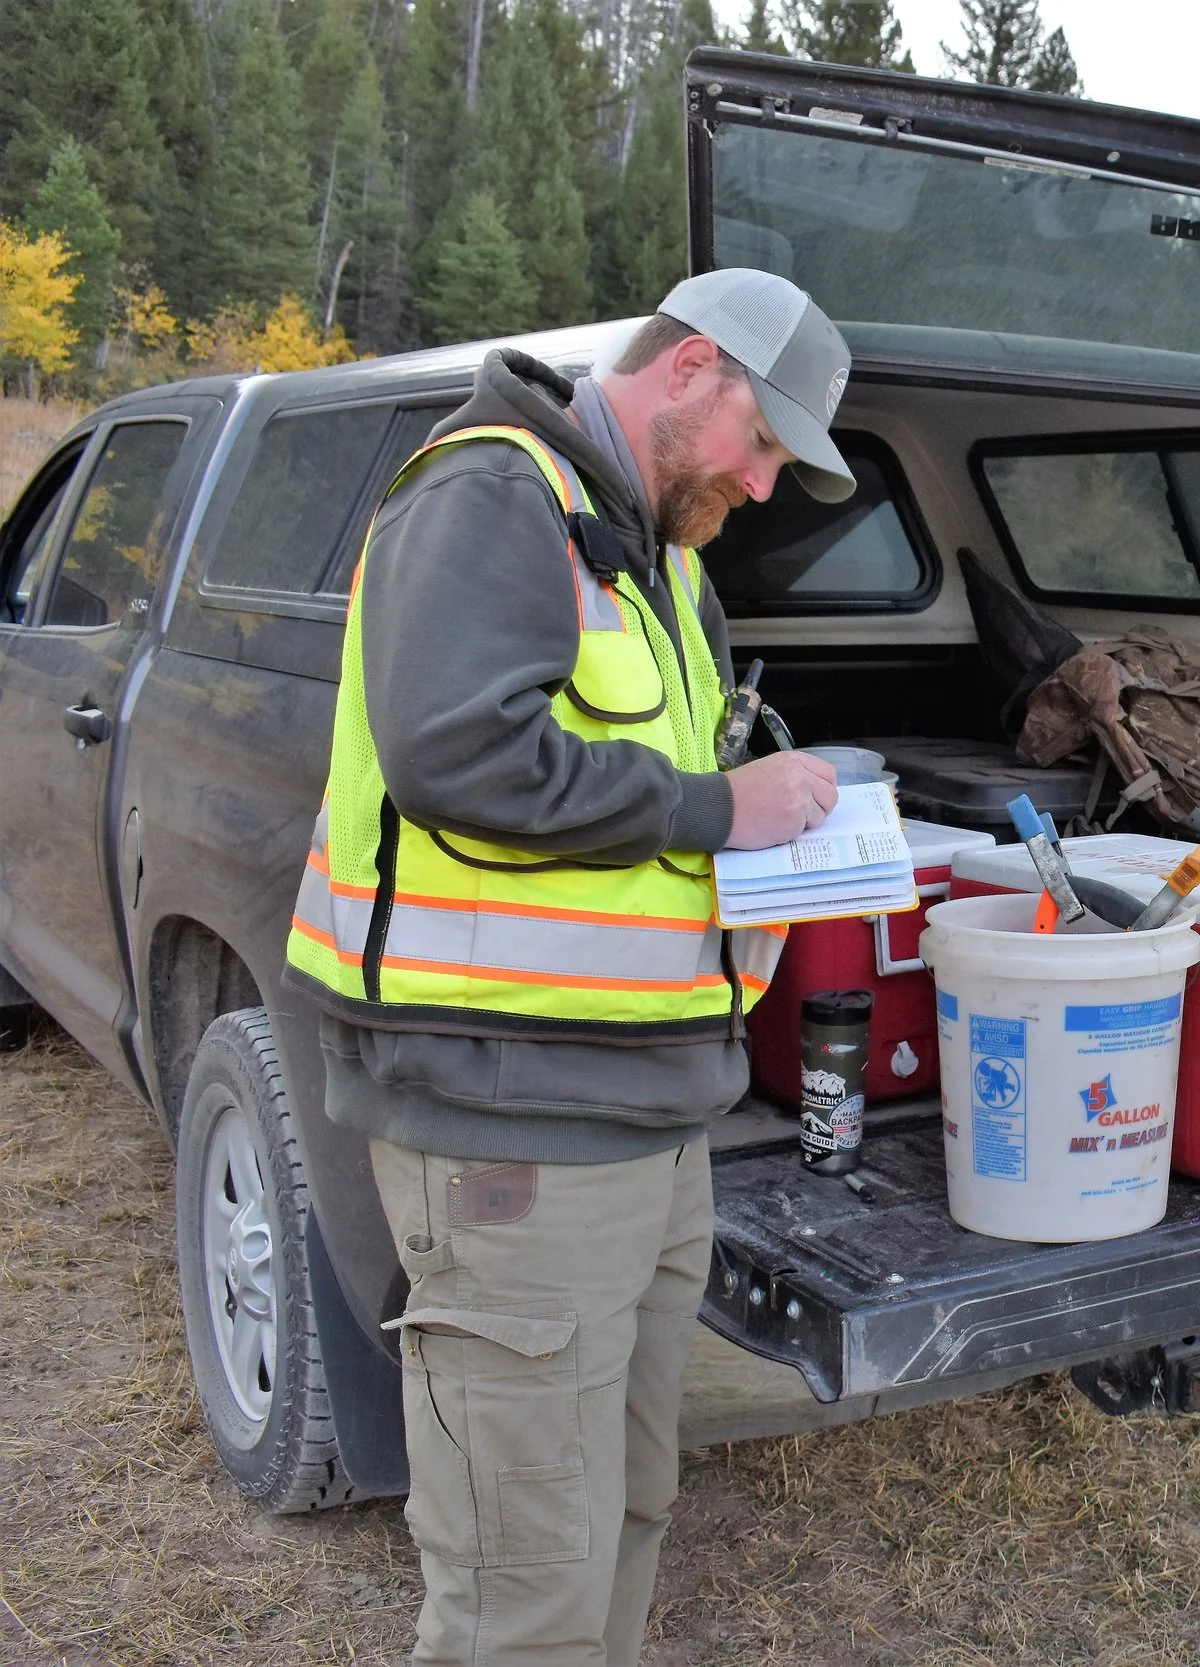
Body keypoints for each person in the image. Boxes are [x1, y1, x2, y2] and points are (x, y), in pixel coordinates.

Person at [284, 268, 856, 1663]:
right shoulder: (493, 496)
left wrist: (783, 821)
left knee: (626, 1502)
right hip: (509, 1125)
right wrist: (728, 810)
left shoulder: (659, 557)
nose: (766, 484)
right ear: (694, 368)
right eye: (765, 442)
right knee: (522, 1578)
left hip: (650, 1117)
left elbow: (663, 775)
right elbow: (462, 753)